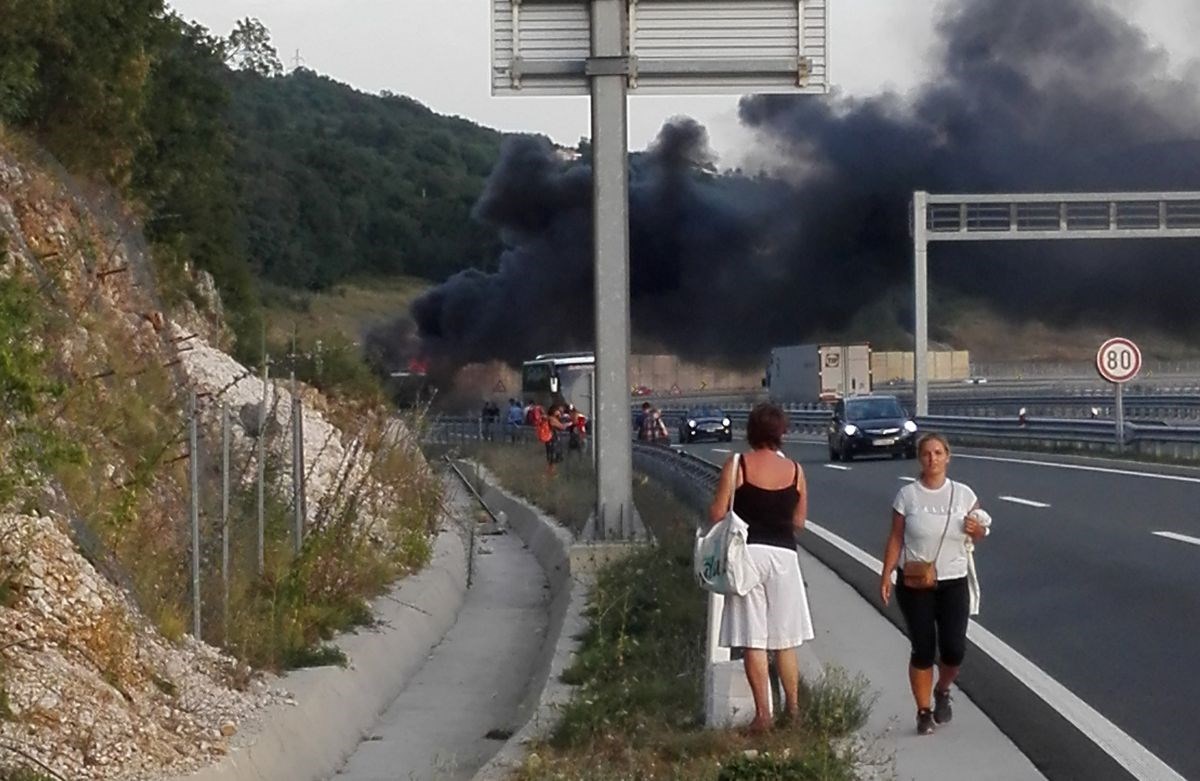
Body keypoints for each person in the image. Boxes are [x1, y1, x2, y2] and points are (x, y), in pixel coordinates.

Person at [708, 402, 814, 733]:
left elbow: (716, 513)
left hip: (747, 555)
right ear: (781, 432)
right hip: (784, 556)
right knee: (784, 639)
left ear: (751, 430)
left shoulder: (737, 464)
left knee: (753, 638)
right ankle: (793, 711)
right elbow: (799, 521)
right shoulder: (796, 470)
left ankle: (763, 716)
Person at [880, 432, 989, 736]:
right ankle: (923, 710)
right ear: (920, 459)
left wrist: (976, 529)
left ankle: (943, 688)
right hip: (915, 582)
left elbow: (978, 532)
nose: (933, 459)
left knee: (954, 649)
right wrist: (886, 573)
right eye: (927, 454)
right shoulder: (907, 496)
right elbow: (896, 538)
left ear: (947, 457)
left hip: (953, 580)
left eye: (938, 453)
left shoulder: (964, 494)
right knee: (923, 647)